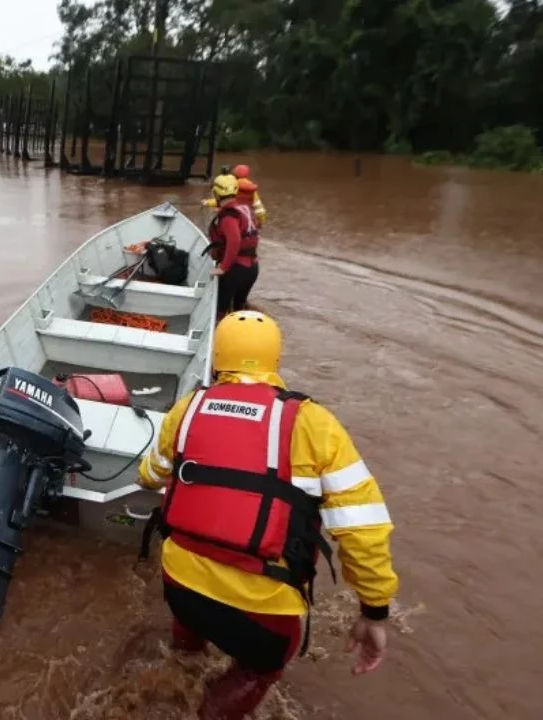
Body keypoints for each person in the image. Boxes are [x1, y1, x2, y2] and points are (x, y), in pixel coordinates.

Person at [138, 310, 399, 720]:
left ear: (218, 355)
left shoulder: (187, 409)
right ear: (274, 360)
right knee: (260, 668)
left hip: (180, 585)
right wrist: (374, 610)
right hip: (262, 610)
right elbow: (363, 528)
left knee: (190, 624)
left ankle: (180, 666)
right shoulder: (314, 423)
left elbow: (148, 474)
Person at [206, 174, 260, 317]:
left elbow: (234, 242)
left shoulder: (228, 217)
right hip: (252, 268)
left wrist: (223, 268)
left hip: (235, 270)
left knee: (220, 313)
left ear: (217, 194)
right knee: (239, 311)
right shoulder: (244, 209)